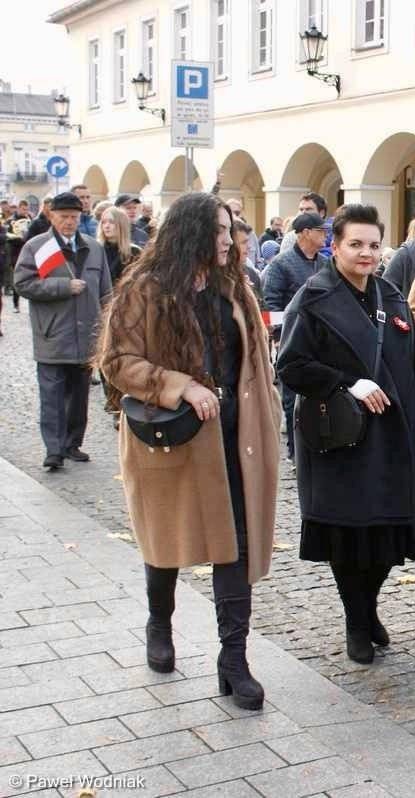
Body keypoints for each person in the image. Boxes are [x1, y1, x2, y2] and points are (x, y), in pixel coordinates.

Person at [98, 191, 280, 711]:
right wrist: (180, 384)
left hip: (234, 439)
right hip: (172, 439)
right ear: (191, 234)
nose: (229, 240)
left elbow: (253, 358)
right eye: (219, 231)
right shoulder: (145, 289)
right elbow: (116, 362)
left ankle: (233, 661)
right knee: (167, 543)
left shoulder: (234, 285)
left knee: (236, 548)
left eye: (230, 230)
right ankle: (160, 623)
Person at [276, 204, 415, 665]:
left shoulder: (390, 294)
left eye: (373, 244)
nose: (366, 253)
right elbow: (290, 365)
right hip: (341, 439)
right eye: (355, 244)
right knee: (350, 537)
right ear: (335, 245)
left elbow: (413, 361)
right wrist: (346, 382)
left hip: (393, 435)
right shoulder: (313, 296)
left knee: (388, 534)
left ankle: (368, 608)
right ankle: (356, 621)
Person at [15, 192, 112, 470]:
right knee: (53, 398)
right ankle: (54, 450)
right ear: (52, 216)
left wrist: (107, 324)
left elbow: (106, 291)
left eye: (74, 217)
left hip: (86, 336)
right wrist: (62, 287)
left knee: (79, 397)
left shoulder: (94, 247)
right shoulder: (37, 246)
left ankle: (72, 444)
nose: (69, 222)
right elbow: (23, 283)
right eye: (64, 217)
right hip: (52, 335)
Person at [263, 213, 331, 462]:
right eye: (321, 231)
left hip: (321, 343)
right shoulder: (281, 264)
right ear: (305, 233)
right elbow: (271, 302)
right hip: (292, 339)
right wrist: (280, 337)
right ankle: (295, 452)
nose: (325, 235)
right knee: (292, 399)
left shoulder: (325, 264)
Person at [96, 205, 141, 287]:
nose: (107, 226)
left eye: (111, 222)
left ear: (121, 224)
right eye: (103, 222)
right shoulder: (96, 249)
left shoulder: (134, 251)